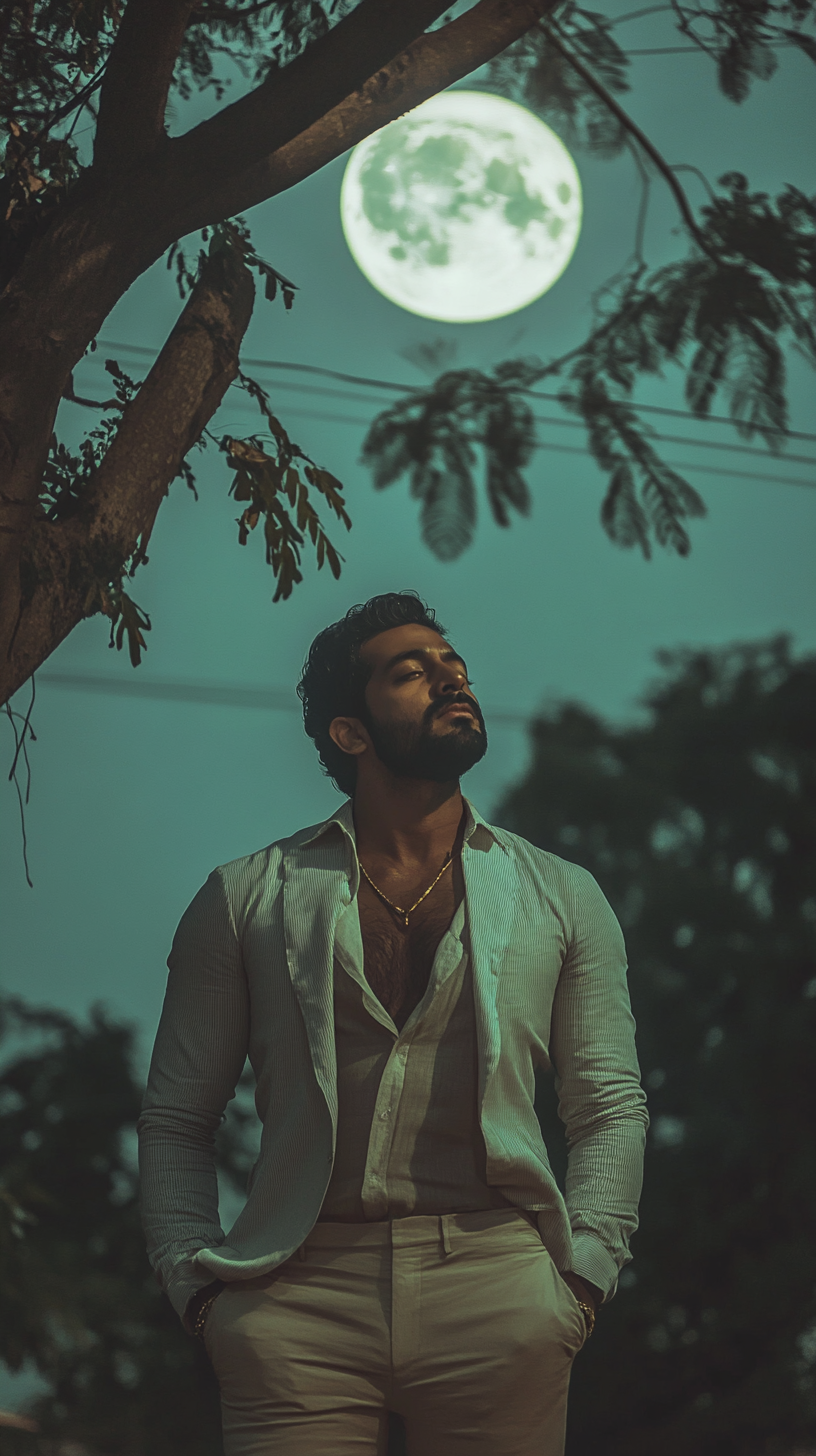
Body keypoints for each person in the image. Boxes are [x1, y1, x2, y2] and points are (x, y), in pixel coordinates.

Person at [138, 591, 648, 1456]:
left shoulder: (561, 896)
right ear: (351, 732)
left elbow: (608, 1104)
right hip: (295, 1296)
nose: (451, 679)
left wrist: (583, 1276)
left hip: (499, 1286)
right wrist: (197, 1285)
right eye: (412, 672)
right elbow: (178, 1119)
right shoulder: (248, 898)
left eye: (454, 664)